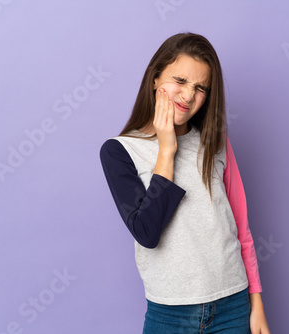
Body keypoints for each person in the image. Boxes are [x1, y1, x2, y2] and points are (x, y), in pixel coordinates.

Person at [100, 32, 270, 333]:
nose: (188, 95)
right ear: (155, 79)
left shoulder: (216, 144)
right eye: (179, 81)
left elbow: (241, 229)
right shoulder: (119, 151)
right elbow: (147, 232)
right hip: (170, 313)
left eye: (200, 87)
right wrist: (167, 150)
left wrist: (256, 306)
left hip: (233, 305)